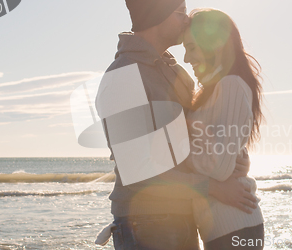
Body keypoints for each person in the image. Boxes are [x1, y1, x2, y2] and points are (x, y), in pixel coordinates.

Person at [94, 1, 257, 249]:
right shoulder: (123, 76)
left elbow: (201, 134)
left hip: (184, 217)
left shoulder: (176, 72)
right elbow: (138, 173)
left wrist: (236, 156)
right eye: (180, 13)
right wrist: (213, 187)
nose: (186, 20)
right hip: (146, 223)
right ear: (155, 15)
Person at [182, 8, 265, 249]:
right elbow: (223, 155)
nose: (186, 58)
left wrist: (176, 157)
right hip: (224, 227)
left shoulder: (231, 85)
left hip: (235, 226)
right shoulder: (213, 90)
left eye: (192, 47)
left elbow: (218, 166)